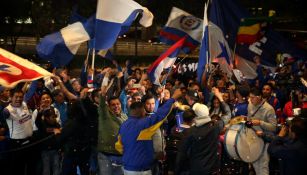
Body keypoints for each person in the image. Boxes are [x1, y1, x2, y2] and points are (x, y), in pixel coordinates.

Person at [115, 88, 182, 175]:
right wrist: (173, 98)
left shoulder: (123, 126)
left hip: (127, 168)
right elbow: (160, 114)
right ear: (142, 111)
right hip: (142, 170)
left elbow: (119, 147)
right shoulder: (145, 124)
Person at [175, 103, 223, 175]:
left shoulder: (190, 132)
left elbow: (182, 154)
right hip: (212, 169)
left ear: (196, 116)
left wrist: (177, 170)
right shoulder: (216, 127)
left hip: (196, 170)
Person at [97, 73, 128, 175]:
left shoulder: (125, 116)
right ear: (109, 107)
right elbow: (102, 95)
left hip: (121, 155)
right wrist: (106, 77)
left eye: (118, 104)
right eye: (113, 105)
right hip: (106, 155)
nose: (116, 106)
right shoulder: (105, 115)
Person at [2, 89, 36, 175]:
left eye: (20, 97)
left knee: (31, 166)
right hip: (17, 144)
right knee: (18, 168)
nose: (18, 99)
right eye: (16, 97)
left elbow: (31, 90)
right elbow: (4, 113)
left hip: (30, 141)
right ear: (11, 97)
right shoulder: (7, 110)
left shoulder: (24, 104)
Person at [248, 88, 277, 175]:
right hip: (253, 138)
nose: (250, 99)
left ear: (259, 97)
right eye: (250, 97)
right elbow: (249, 119)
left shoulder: (269, 109)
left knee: (263, 165)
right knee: (255, 163)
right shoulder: (250, 105)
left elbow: (274, 127)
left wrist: (260, 122)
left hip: (264, 139)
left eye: (252, 97)